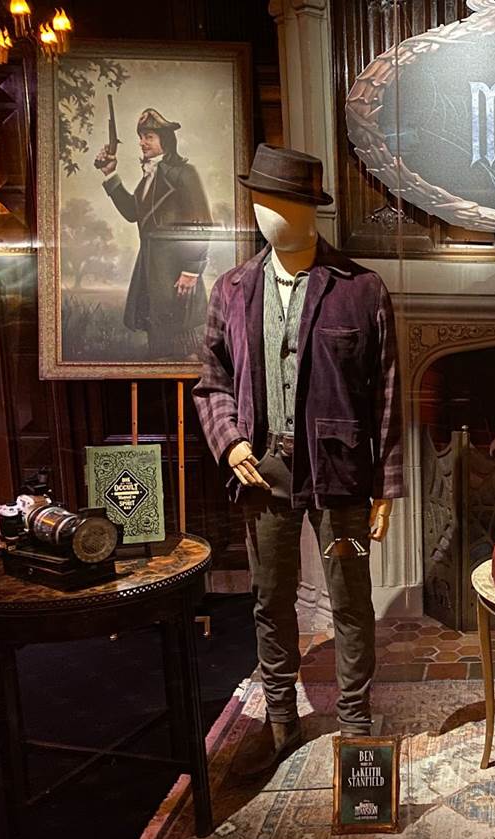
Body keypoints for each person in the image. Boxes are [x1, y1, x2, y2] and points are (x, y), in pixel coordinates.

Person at [193, 144, 403, 778]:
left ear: (311, 210)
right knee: (270, 597)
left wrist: (385, 486)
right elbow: (211, 380)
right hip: (262, 471)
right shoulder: (231, 290)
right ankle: (281, 717)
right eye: (261, 201)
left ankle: (356, 720)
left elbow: (386, 392)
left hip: (341, 477)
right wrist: (230, 441)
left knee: (350, 598)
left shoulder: (361, 289)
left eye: (283, 202)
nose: (269, 214)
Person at [95, 108, 213, 360]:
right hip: (151, 269)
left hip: (177, 270)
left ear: (165, 141)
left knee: (186, 347)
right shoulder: (149, 177)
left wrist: (191, 270)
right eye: (141, 137)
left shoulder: (184, 173)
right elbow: (132, 212)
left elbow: (201, 222)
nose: (142, 142)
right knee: (158, 344)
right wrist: (110, 174)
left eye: (148, 137)